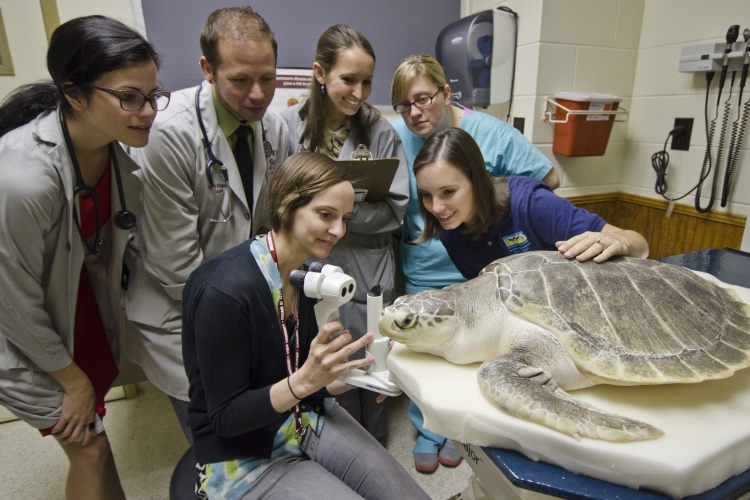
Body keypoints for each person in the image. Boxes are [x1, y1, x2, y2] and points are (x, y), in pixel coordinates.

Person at [182, 152, 429, 500]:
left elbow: (310, 386)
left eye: (345, 218)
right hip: (245, 456)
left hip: (305, 420)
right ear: (287, 204)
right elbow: (225, 418)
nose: (339, 230)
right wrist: (305, 381)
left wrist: (362, 370)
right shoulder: (225, 292)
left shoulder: (306, 277)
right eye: (326, 215)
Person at [0, 16, 167, 499]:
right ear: (74, 95)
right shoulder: (22, 179)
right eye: (129, 97)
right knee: (88, 448)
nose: (148, 111)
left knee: (93, 441)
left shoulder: (116, 157)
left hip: (75, 311)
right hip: (22, 330)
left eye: (153, 95)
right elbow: (11, 302)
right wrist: (72, 382)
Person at [390, 53, 560, 472]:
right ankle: (431, 429)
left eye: (425, 99)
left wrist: (497, 201)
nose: (415, 113)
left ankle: (465, 435)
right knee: (427, 358)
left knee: (486, 361)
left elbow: (547, 179)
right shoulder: (395, 136)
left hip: (485, 269)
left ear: (447, 94)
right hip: (426, 269)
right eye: (404, 105)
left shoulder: (490, 133)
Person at [126, 6, 289, 443]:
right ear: (207, 69)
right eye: (240, 80)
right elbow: (175, 264)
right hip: (182, 308)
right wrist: (240, 323)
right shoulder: (168, 133)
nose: (258, 94)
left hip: (245, 299)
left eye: (268, 78)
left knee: (259, 431)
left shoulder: (273, 127)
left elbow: (275, 222)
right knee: (217, 440)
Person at [280, 25, 408, 444]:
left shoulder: (381, 132)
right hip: (308, 265)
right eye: (348, 80)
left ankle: (373, 447)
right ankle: (329, 446)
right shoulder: (287, 129)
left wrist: (336, 215)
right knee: (319, 360)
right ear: (320, 73)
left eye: (367, 81)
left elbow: (396, 209)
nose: (359, 92)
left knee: (368, 359)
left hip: (366, 264)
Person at [415, 128, 649, 278]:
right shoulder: (451, 231)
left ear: (476, 181)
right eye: (426, 195)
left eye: (448, 192)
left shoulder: (532, 204)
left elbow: (641, 246)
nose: (436, 208)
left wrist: (619, 241)